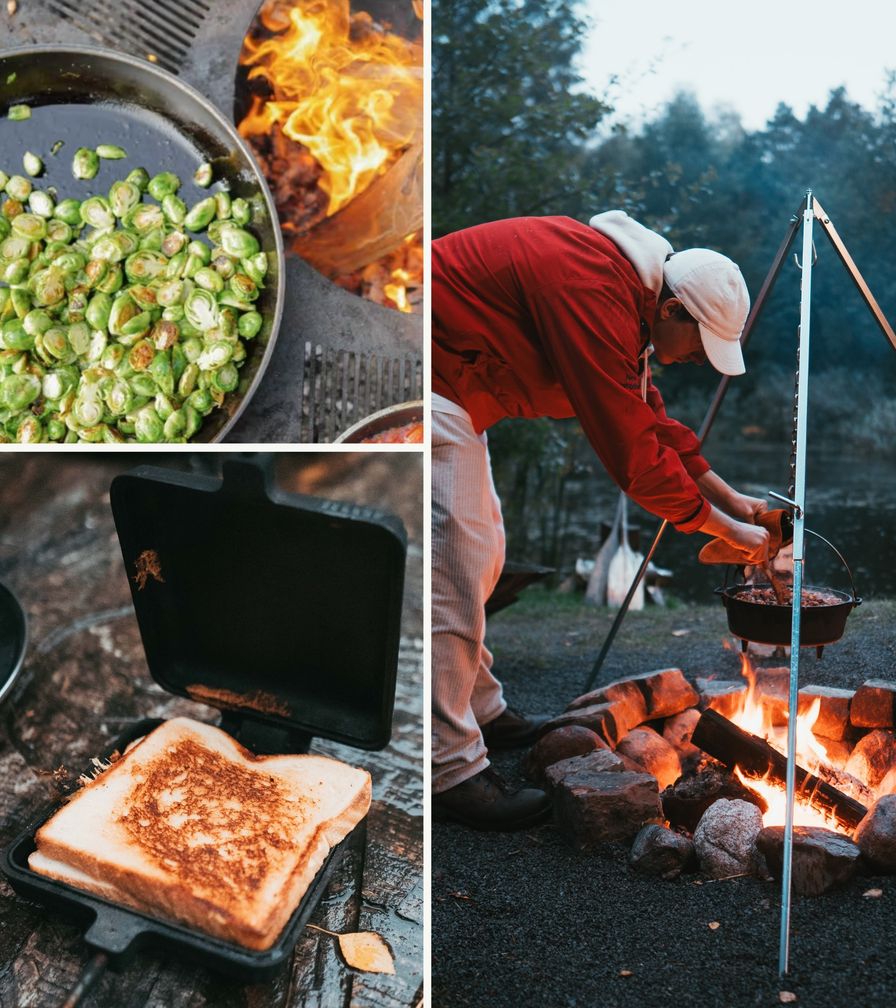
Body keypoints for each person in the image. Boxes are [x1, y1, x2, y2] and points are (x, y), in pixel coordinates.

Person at [431, 211, 771, 830]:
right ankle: (448, 769)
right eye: (697, 348)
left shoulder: (627, 294)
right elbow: (633, 455)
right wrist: (726, 531)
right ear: (672, 311)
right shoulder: (591, 289)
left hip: (456, 390)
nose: (694, 360)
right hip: (425, 374)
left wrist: (732, 499)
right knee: (450, 573)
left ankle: (479, 708)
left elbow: (651, 417)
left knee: (482, 556)